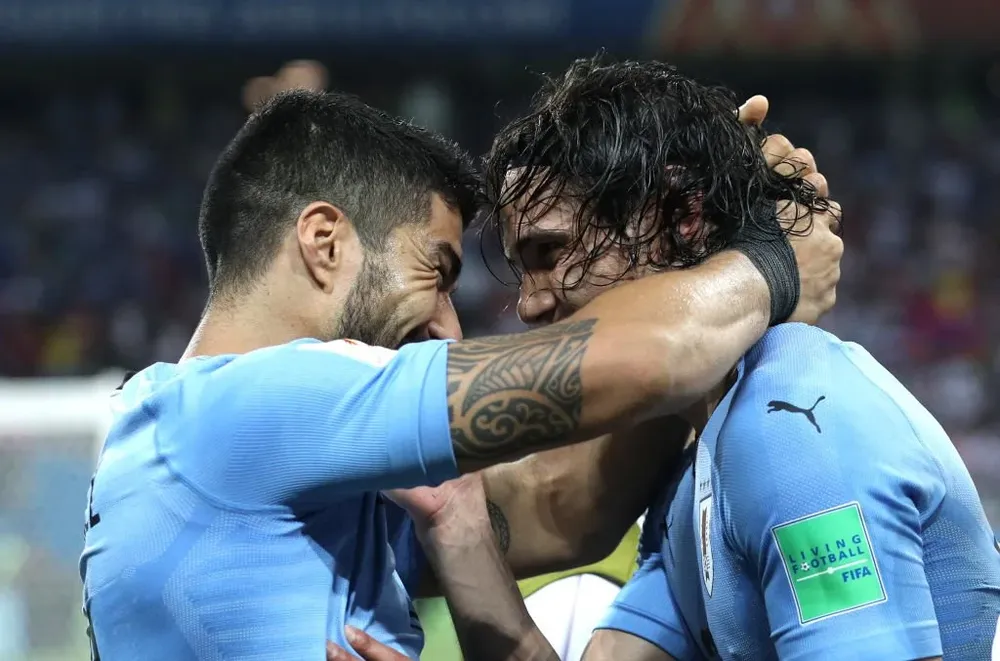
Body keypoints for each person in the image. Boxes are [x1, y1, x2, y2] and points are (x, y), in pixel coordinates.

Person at [79, 77, 841, 659]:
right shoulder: (245, 405)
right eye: (434, 269)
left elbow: (561, 505)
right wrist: (768, 259)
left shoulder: (264, 471)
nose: (447, 321)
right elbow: (644, 359)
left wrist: (702, 235)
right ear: (324, 242)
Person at [331, 57, 1000, 661]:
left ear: (683, 215)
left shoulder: (788, 427)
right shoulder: (699, 468)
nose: (530, 306)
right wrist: (455, 514)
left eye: (550, 253)